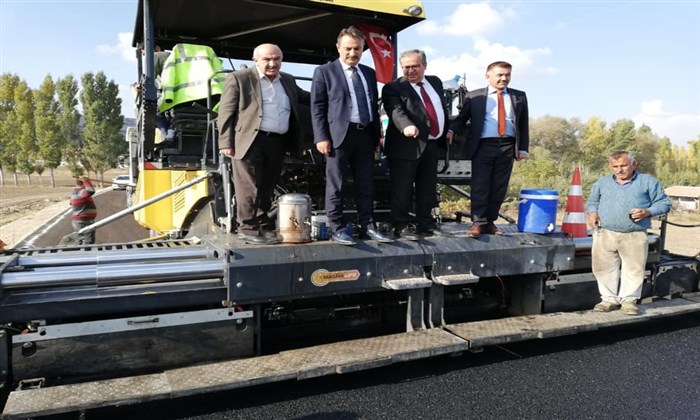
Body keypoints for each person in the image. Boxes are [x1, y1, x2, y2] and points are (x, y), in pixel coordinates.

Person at [218, 43, 310, 245]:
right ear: (255, 60)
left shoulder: (287, 80)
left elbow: (305, 97)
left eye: (276, 59)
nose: (272, 63)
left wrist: (332, 95)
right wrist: (225, 142)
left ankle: (262, 223)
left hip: (278, 141)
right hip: (249, 141)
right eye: (267, 59)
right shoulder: (240, 78)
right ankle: (247, 228)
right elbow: (225, 112)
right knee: (248, 186)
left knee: (268, 186)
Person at [310, 26, 393, 245]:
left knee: (366, 184)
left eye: (357, 49)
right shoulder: (324, 72)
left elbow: (373, 106)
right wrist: (321, 137)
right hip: (338, 137)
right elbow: (317, 107)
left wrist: (377, 136)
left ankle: (368, 226)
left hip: (365, 136)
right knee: (336, 185)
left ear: (362, 49)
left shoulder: (368, 73)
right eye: (348, 48)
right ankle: (337, 228)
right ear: (338, 47)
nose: (352, 53)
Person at [448, 61, 529, 238]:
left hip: (508, 146)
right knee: (480, 185)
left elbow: (523, 123)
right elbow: (462, 118)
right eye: (500, 75)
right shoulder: (474, 96)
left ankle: (490, 222)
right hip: (482, 145)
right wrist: (451, 131)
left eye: (507, 75)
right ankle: (478, 223)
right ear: (488, 76)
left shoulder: (519, 96)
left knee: (499, 187)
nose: (504, 78)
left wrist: (523, 148)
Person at [586, 151, 671, 316]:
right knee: (603, 268)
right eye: (615, 166)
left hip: (635, 234)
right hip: (605, 232)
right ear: (610, 166)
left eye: (623, 165)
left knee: (634, 269)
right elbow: (593, 201)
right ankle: (608, 300)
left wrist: (648, 211)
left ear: (634, 164)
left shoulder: (648, 182)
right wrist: (592, 212)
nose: (619, 170)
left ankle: (629, 301)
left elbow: (664, 203)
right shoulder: (602, 182)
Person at [382, 49, 449, 240]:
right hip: (405, 146)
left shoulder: (435, 82)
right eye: (406, 67)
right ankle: (400, 226)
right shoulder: (393, 88)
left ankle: (426, 224)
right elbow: (396, 110)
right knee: (402, 188)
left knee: (427, 188)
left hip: (432, 144)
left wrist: (448, 129)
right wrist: (406, 126)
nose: (410, 70)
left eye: (415, 66)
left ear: (424, 66)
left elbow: (440, 108)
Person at [70, 177, 97, 245]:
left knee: (82, 241)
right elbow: (91, 191)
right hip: (83, 221)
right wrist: (87, 181)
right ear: (83, 184)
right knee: (88, 241)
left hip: (82, 220)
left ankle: (81, 249)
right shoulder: (80, 192)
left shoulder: (76, 192)